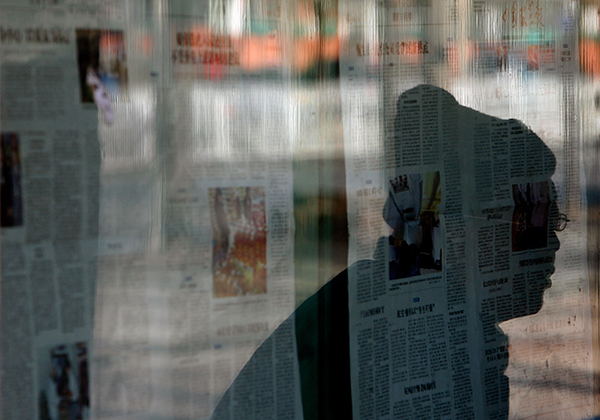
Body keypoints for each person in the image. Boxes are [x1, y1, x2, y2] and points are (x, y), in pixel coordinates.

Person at [211, 85, 559, 419]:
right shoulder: (379, 329)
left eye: (555, 223)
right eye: (535, 223)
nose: (552, 244)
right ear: (458, 229)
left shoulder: (382, 303)